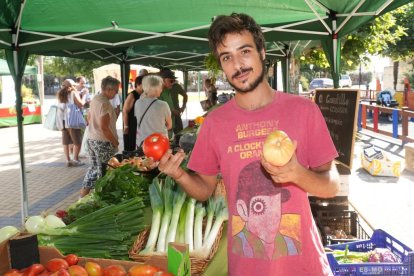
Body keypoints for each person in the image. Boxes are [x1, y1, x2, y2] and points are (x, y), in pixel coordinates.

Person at [158, 13, 340, 275]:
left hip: (304, 266)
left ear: (262, 52)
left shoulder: (303, 110)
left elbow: (331, 185)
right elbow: (204, 190)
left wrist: (297, 173)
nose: (238, 65)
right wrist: (179, 174)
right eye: (227, 57)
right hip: (246, 267)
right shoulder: (215, 122)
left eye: (244, 51)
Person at [81, 76, 120, 197]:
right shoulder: (105, 104)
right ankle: (100, 198)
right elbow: (104, 127)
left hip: (92, 139)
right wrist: (114, 141)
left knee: (93, 169)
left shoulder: (96, 99)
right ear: (109, 89)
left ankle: (82, 197)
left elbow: (89, 118)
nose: (117, 93)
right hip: (102, 142)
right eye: (116, 90)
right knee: (104, 172)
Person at [134, 74, 172, 147]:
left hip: (143, 144)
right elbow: (169, 125)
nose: (161, 90)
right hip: (159, 144)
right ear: (156, 88)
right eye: (161, 87)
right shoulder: (163, 105)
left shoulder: (137, 103)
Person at [56, 79, 85, 167]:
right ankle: (75, 159)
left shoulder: (60, 94)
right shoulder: (73, 93)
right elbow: (81, 104)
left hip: (62, 121)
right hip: (72, 121)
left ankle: (68, 160)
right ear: (72, 86)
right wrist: (83, 96)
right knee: (77, 142)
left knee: (66, 142)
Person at [123, 75, 145, 151]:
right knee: (131, 145)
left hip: (139, 124)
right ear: (138, 84)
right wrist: (126, 126)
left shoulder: (143, 95)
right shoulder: (132, 95)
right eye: (144, 84)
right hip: (132, 123)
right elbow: (125, 111)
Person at [158, 68, 177, 139]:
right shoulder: (158, 93)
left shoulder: (168, 91)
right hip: (163, 129)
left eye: (174, 81)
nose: (173, 83)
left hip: (169, 126)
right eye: (171, 81)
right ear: (163, 80)